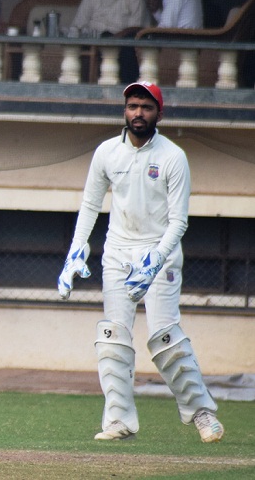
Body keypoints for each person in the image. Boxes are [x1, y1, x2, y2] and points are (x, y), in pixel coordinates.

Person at [57, 81, 224, 444]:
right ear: (124, 110)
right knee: (112, 337)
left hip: (159, 253)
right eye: (133, 106)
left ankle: (202, 413)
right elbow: (90, 204)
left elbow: (179, 221)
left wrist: (155, 260)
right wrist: (75, 250)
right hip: (118, 252)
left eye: (146, 107)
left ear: (158, 114)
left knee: (165, 338)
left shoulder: (172, 156)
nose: (138, 113)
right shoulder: (106, 153)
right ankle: (119, 421)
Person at [70, 0, 151, 82]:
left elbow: (137, 27)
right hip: (97, 43)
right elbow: (78, 25)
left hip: (125, 44)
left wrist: (115, 38)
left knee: (127, 46)